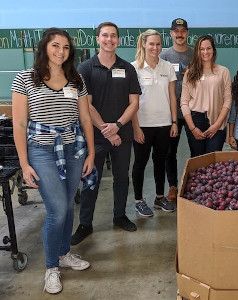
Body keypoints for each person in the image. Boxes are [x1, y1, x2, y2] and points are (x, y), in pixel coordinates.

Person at [11, 28, 95, 294]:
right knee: (57, 209)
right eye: (56, 45)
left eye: (66, 47)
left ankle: (63, 254)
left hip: (72, 148)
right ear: (44, 47)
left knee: (68, 205)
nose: (61, 51)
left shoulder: (75, 79)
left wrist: (91, 153)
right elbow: (20, 123)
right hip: (41, 151)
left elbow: (85, 119)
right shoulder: (25, 79)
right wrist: (24, 164)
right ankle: (51, 268)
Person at [71, 22, 141, 245]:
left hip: (122, 134)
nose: (109, 39)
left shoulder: (128, 68)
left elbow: (134, 103)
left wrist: (118, 126)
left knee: (122, 177)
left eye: (113, 36)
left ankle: (119, 215)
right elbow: (86, 105)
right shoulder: (85, 68)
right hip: (96, 136)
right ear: (97, 39)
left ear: (118, 40)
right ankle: (85, 224)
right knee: (91, 179)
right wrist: (106, 130)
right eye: (105, 36)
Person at [131, 29, 177, 217]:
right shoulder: (134, 68)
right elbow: (131, 101)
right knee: (140, 163)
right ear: (143, 44)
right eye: (151, 44)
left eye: (158, 44)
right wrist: (135, 127)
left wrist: (174, 122)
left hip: (164, 124)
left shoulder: (167, 67)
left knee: (160, 161)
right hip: (143, 125)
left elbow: (172, 97)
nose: (155, 47)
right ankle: (139, 200)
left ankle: (159, 197)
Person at [181, 35, 232, 157]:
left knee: (213, 160)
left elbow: (227, 100)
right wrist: (192, 128)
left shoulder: (223, 72)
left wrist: (217, 125)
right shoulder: (189, 73)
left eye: (208, 48)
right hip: (195, 120)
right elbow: (184, 102)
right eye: (201, 49)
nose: (205, 52)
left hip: (217, 120)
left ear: (213, 50)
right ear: (197, 52)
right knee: (197, 159)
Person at [159, 18, 193, 202]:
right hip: (171, 113)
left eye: (183, 31)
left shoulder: (195, 55)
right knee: (169, 152)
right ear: (171, 33)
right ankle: (172, 186)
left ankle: (196, 184)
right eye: (176, 31)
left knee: (196, 150)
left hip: (192, 111)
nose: (180, 34)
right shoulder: (164, 56)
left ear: (187, 33)